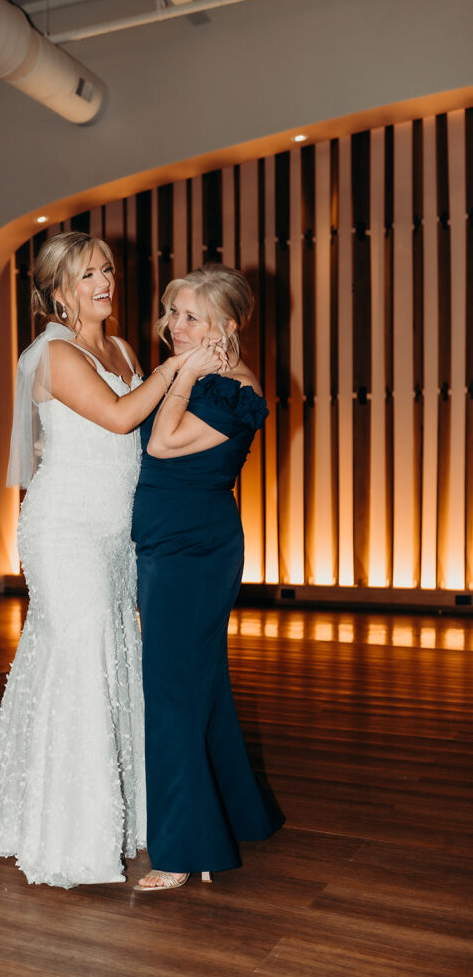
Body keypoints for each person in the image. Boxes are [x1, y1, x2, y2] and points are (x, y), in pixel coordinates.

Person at [0, 232, 222, 888]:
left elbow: (144, 429)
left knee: (113, 655)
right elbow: (116, 418)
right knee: (80, 658)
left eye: (107, 270)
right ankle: (66, 834)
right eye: (88, 276)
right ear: (57, 290)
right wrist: (182, 365)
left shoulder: (119, 346)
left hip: (115, 530)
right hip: (66, 528)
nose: (104, 283)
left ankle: (118, 815)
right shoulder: (52, 354)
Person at [132, 264, 284, 892]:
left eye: (191, 316)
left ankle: (181, 849)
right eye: (172, 312)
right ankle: (242, 813)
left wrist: (182, 373)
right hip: (165, 545)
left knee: (170, 696)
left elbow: (162, 445)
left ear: (227, 325)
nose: (174, 326)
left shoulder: (232, 388)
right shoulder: (194, 375)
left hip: (194, 552)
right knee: (199, 687)